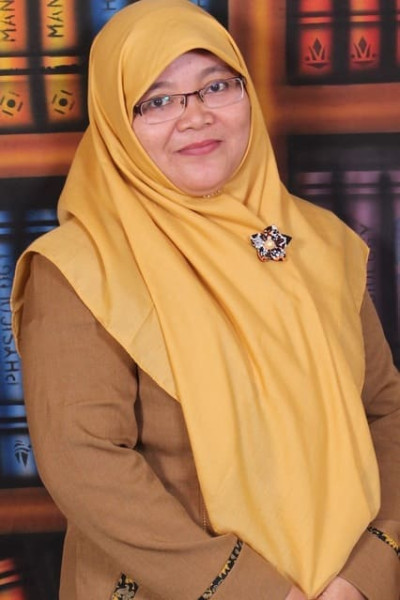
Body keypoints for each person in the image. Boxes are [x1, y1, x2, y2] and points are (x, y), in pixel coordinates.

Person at [11, 0, 399, 598]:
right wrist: (260, 592)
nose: (195, 117)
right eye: (157, 100)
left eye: (217, 86)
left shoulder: (318, 242)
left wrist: (364, 574)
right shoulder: (80, 269)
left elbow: (387, 413)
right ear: (114, 123)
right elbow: (86, 462)